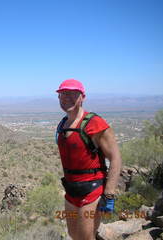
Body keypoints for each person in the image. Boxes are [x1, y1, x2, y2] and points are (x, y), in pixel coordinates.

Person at [55, 79, 122, 240]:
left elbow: (115, 158)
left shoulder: (94, 123)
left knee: (86, 237)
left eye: (73, 94)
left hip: (92, 190)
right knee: (73, 234)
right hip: (71, 190)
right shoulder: (63, 124)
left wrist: (109, 194)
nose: (67, 98)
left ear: (82, 97)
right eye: (63, 94)